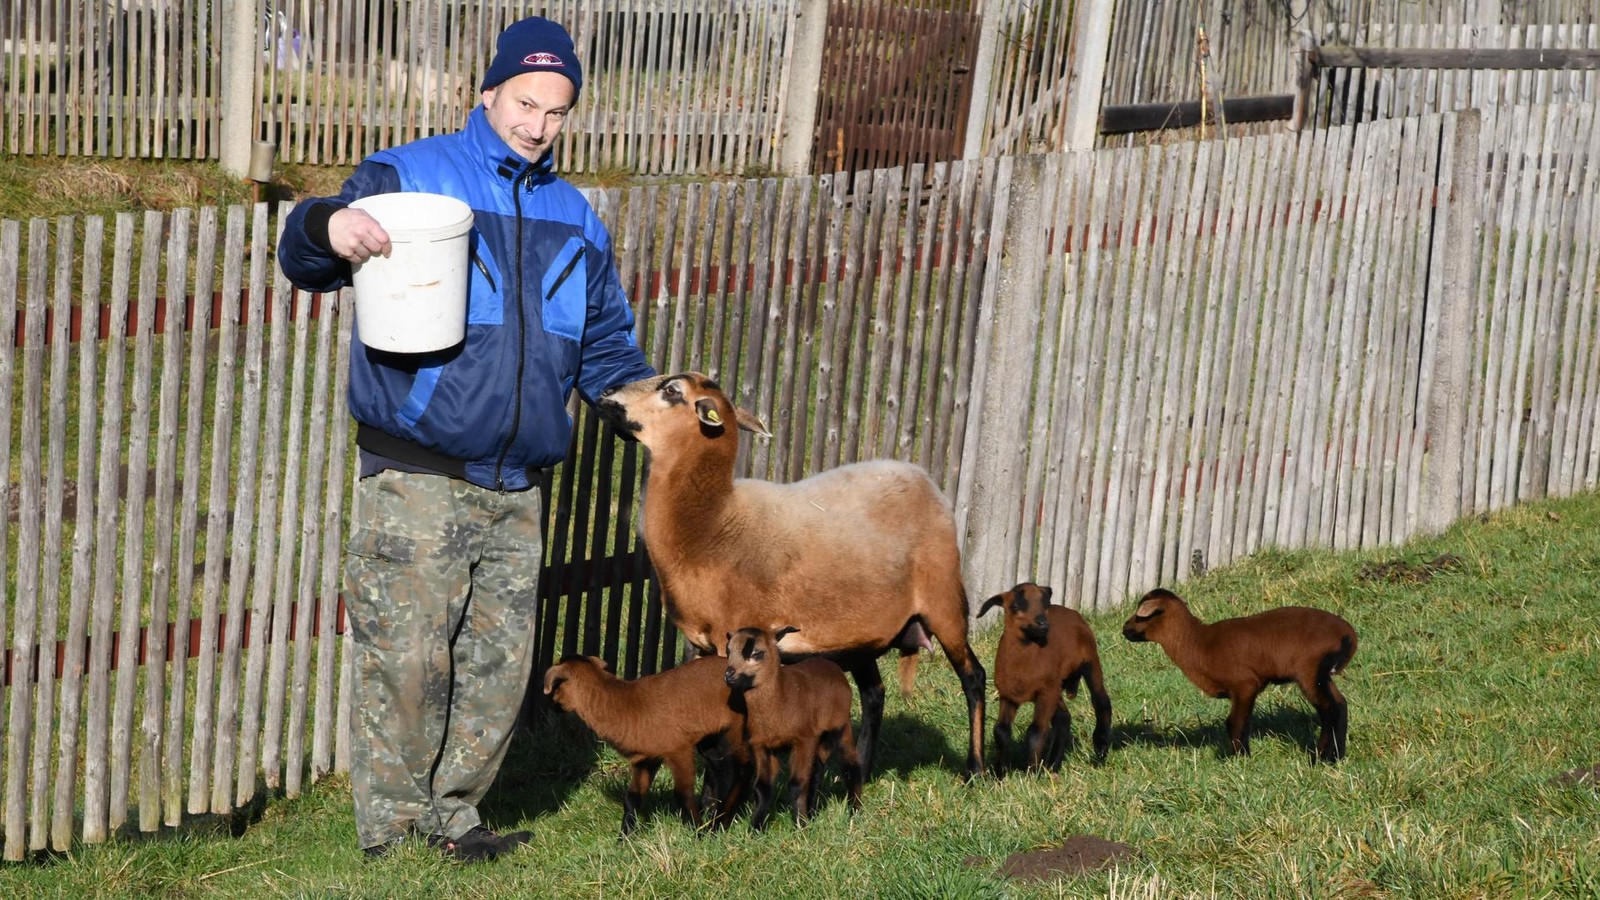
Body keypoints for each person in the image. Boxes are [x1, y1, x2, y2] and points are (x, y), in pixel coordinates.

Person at [276, 16, 655, 861]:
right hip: (418, 471)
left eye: (557, 112)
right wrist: (327, 230)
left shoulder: (576, 218)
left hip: (517, 486)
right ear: (487, 93)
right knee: (407, 668)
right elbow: (308, 248)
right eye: (525, 103)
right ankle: (392, 838)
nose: (538, 125)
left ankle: (454, 820)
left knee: (493, 674)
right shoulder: (410, 174)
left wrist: (659, 410)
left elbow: (604, 350)